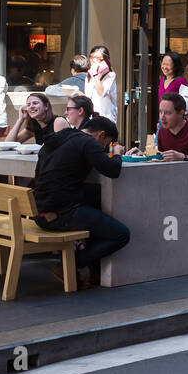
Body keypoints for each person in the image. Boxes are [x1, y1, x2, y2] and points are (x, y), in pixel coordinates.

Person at [33, 115, 128, 289]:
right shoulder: (88, 142)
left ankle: (95, 271)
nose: (104, 148)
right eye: (106, 143)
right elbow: (112, 170)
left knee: (96, 200)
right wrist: (116, 154)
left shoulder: (63, 137)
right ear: (101, 135)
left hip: (40, 210)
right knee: (121, 235)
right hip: (60, 214)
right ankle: (68, 266)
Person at [3, 92, 67, 146]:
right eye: (28, 105)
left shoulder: (58, 122)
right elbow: (8, 144)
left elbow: (63, 150)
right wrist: (20, 120)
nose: (31, 106)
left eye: (35, 103)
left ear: (46, 106)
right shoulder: (35, 126)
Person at [84, 45, 118, 124]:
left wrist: (95, 75)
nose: (94, 60)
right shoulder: (88, 77)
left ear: (105, 60)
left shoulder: (110, 75)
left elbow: (102, 93)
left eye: (98, 58)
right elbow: (88, 97)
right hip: (92, 117)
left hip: (105, 117)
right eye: (92, 57)